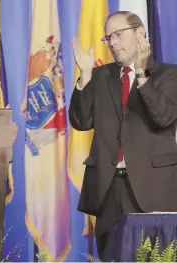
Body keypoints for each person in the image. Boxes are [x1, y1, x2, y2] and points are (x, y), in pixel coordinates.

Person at [70, 11, 177, 259]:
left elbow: (163, 117)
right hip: (108, 189)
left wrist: (141, 75)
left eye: (118, 34)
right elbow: (80, 121)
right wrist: (84, 77)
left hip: (153, 187)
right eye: (108, 38)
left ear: (140, 33)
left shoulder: (169, 75)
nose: (113, 43)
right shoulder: (98, 76)